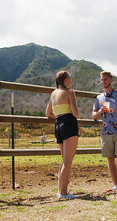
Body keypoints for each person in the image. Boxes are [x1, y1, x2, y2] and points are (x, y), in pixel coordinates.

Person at [92, 71, 117, 192]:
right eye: (102, 80)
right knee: (110, 158)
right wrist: (100, 112)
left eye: (105, 79)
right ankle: (115, 185)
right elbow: (93, 115)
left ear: (111, 80)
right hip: (105, 132)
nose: (103, 81)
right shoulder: (99, 98)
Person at [46, 70, 79, 199]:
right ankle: (63, 192)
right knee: (67, 161)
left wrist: (59, 117)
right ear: (65, 80)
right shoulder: (70, 92)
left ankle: (61, 189)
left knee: (65, 160)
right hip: (69, 124)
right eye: (70, 78)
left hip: (58, 124)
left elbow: (48, 113)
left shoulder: (53, 94)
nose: (71, 80)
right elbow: (76, 113)